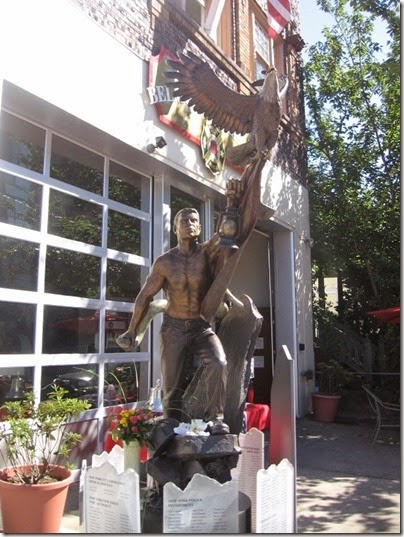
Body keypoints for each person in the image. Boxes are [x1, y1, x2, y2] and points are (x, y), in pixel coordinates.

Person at [119, 180, 246, 434]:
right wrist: (132, 330)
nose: (188, 224)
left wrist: (233, 202)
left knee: (219, 364)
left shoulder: (208, 253)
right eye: (183, 221)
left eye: (193, 220)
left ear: (200, 227)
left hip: (201, 328)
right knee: (172, 381)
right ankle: (170, 419)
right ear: (175, 227)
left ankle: (216, 418)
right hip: (174, 328)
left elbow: (229, 230)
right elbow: (145, 295)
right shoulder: (164, 262)